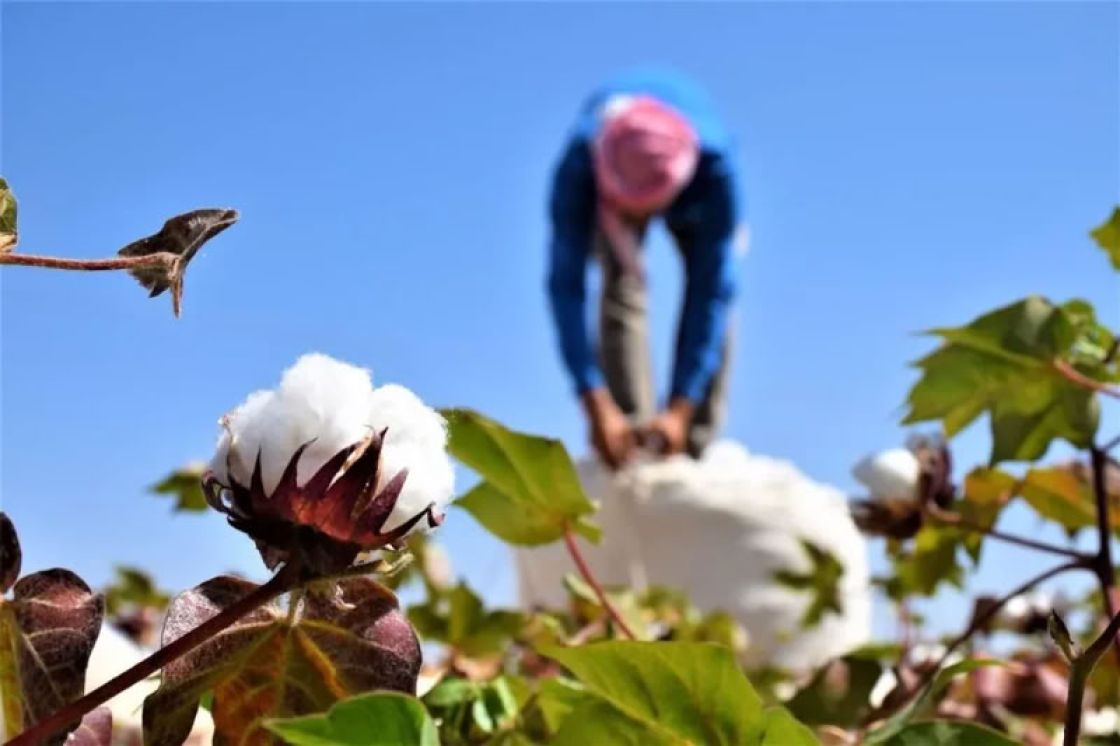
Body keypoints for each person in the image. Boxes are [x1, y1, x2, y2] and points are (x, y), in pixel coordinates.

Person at [547, 67, 744, 468]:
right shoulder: (580, 168)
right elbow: (565, 287)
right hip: (604, 180)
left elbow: (711, 296)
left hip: (693, 186)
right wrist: (593, 398)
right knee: (620, 284)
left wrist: (680, 407)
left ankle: (688, 444)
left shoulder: (717, 175)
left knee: (715, 299)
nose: (640, 226)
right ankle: (627, 437)